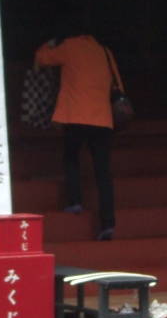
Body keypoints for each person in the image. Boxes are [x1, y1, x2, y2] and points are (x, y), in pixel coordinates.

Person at [35, 30, 124, 241]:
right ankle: (108, 223)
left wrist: (49, 42)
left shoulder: (69, 47)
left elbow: (42, 58)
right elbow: (118, 85)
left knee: (71, 158)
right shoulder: (104, 51)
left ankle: (74, 201)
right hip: (102, 119)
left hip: (74, 115)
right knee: (103, 172)